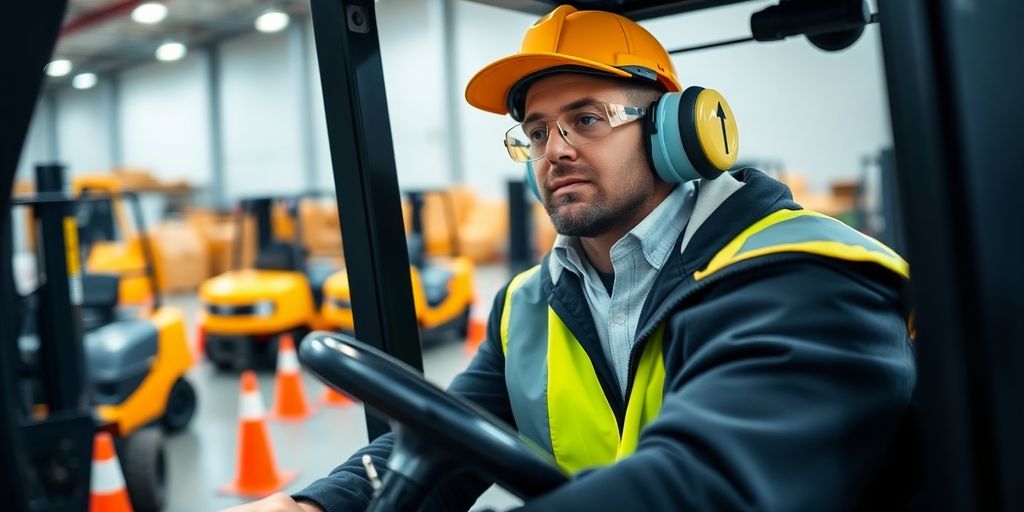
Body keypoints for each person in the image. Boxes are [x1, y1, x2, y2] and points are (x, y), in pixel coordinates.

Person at [227, 5, 916, 511]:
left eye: (587, 119)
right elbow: (442, 441)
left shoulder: (803, 277)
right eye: (535, 131)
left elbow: (702, 487)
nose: (554, 150)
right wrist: (317, 505)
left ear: (680, 131)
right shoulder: (528, 304)